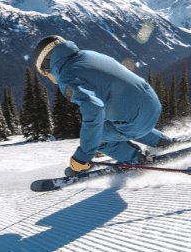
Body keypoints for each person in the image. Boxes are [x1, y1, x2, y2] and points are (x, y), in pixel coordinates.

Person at [33, 35, 172, 175]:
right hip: (152, 102)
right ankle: (161, 141)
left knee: (98, 137)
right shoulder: (88, 55)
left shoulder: (67, 77)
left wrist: (84, 156)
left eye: (44, 72)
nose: (48, 76)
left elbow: (93, 107)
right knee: (116, 122)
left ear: (47, 63)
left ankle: (136, 159)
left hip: (135, 119)